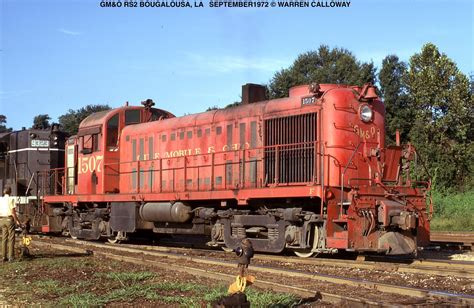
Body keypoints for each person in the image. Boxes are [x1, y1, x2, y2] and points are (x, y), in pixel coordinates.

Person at [0, 186, 19, 262]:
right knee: (11, 238)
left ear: (4, 192)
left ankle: (3, 257)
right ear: (10, 192)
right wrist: (17, 220)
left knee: (4, 238)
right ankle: (11, 257)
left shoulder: (0, 200)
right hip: (9, 219)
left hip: (1, 219)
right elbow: (13, 212)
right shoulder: (11, 199)